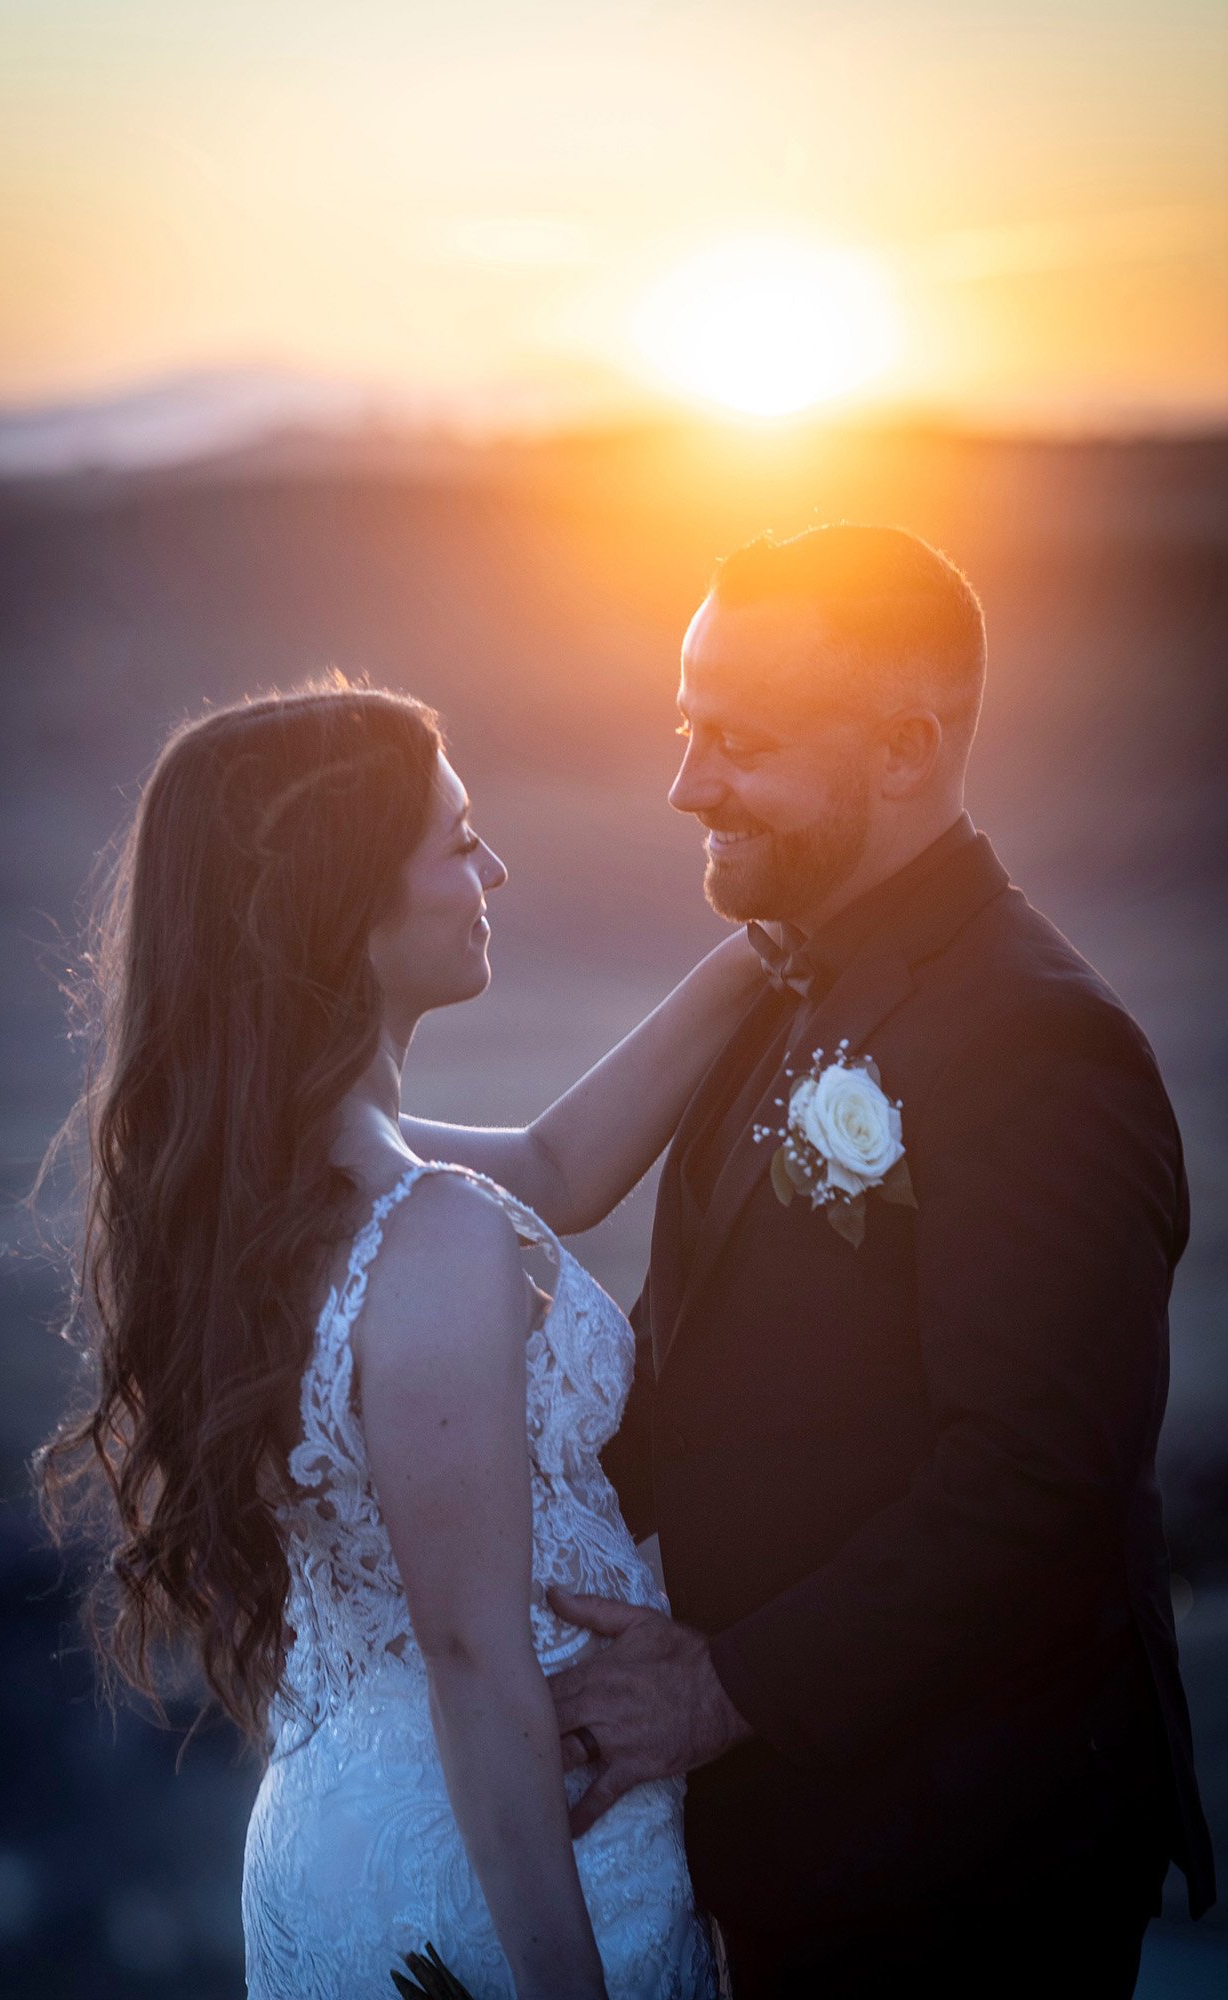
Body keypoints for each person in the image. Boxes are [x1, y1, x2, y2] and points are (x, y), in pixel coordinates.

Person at [453, 522, 1215, 1996]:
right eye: (687, 727)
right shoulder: (778, 981)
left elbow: (1034, 1482)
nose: (685, 783)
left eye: (740, 740)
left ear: (904, 748)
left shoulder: (1036, 1040)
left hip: (973, 1853)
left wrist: (720, 1689)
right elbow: (698, 1367)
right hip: (805, 1832)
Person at [33, 678, 764, 2000]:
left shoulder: (269, 1180)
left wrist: (764, 950)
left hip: (347, 1840)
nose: (494, 866)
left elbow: (556, 1161)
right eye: (457, 837)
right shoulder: (428, 1235)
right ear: (348, 905)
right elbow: (474, 1661)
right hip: (497, 1886)